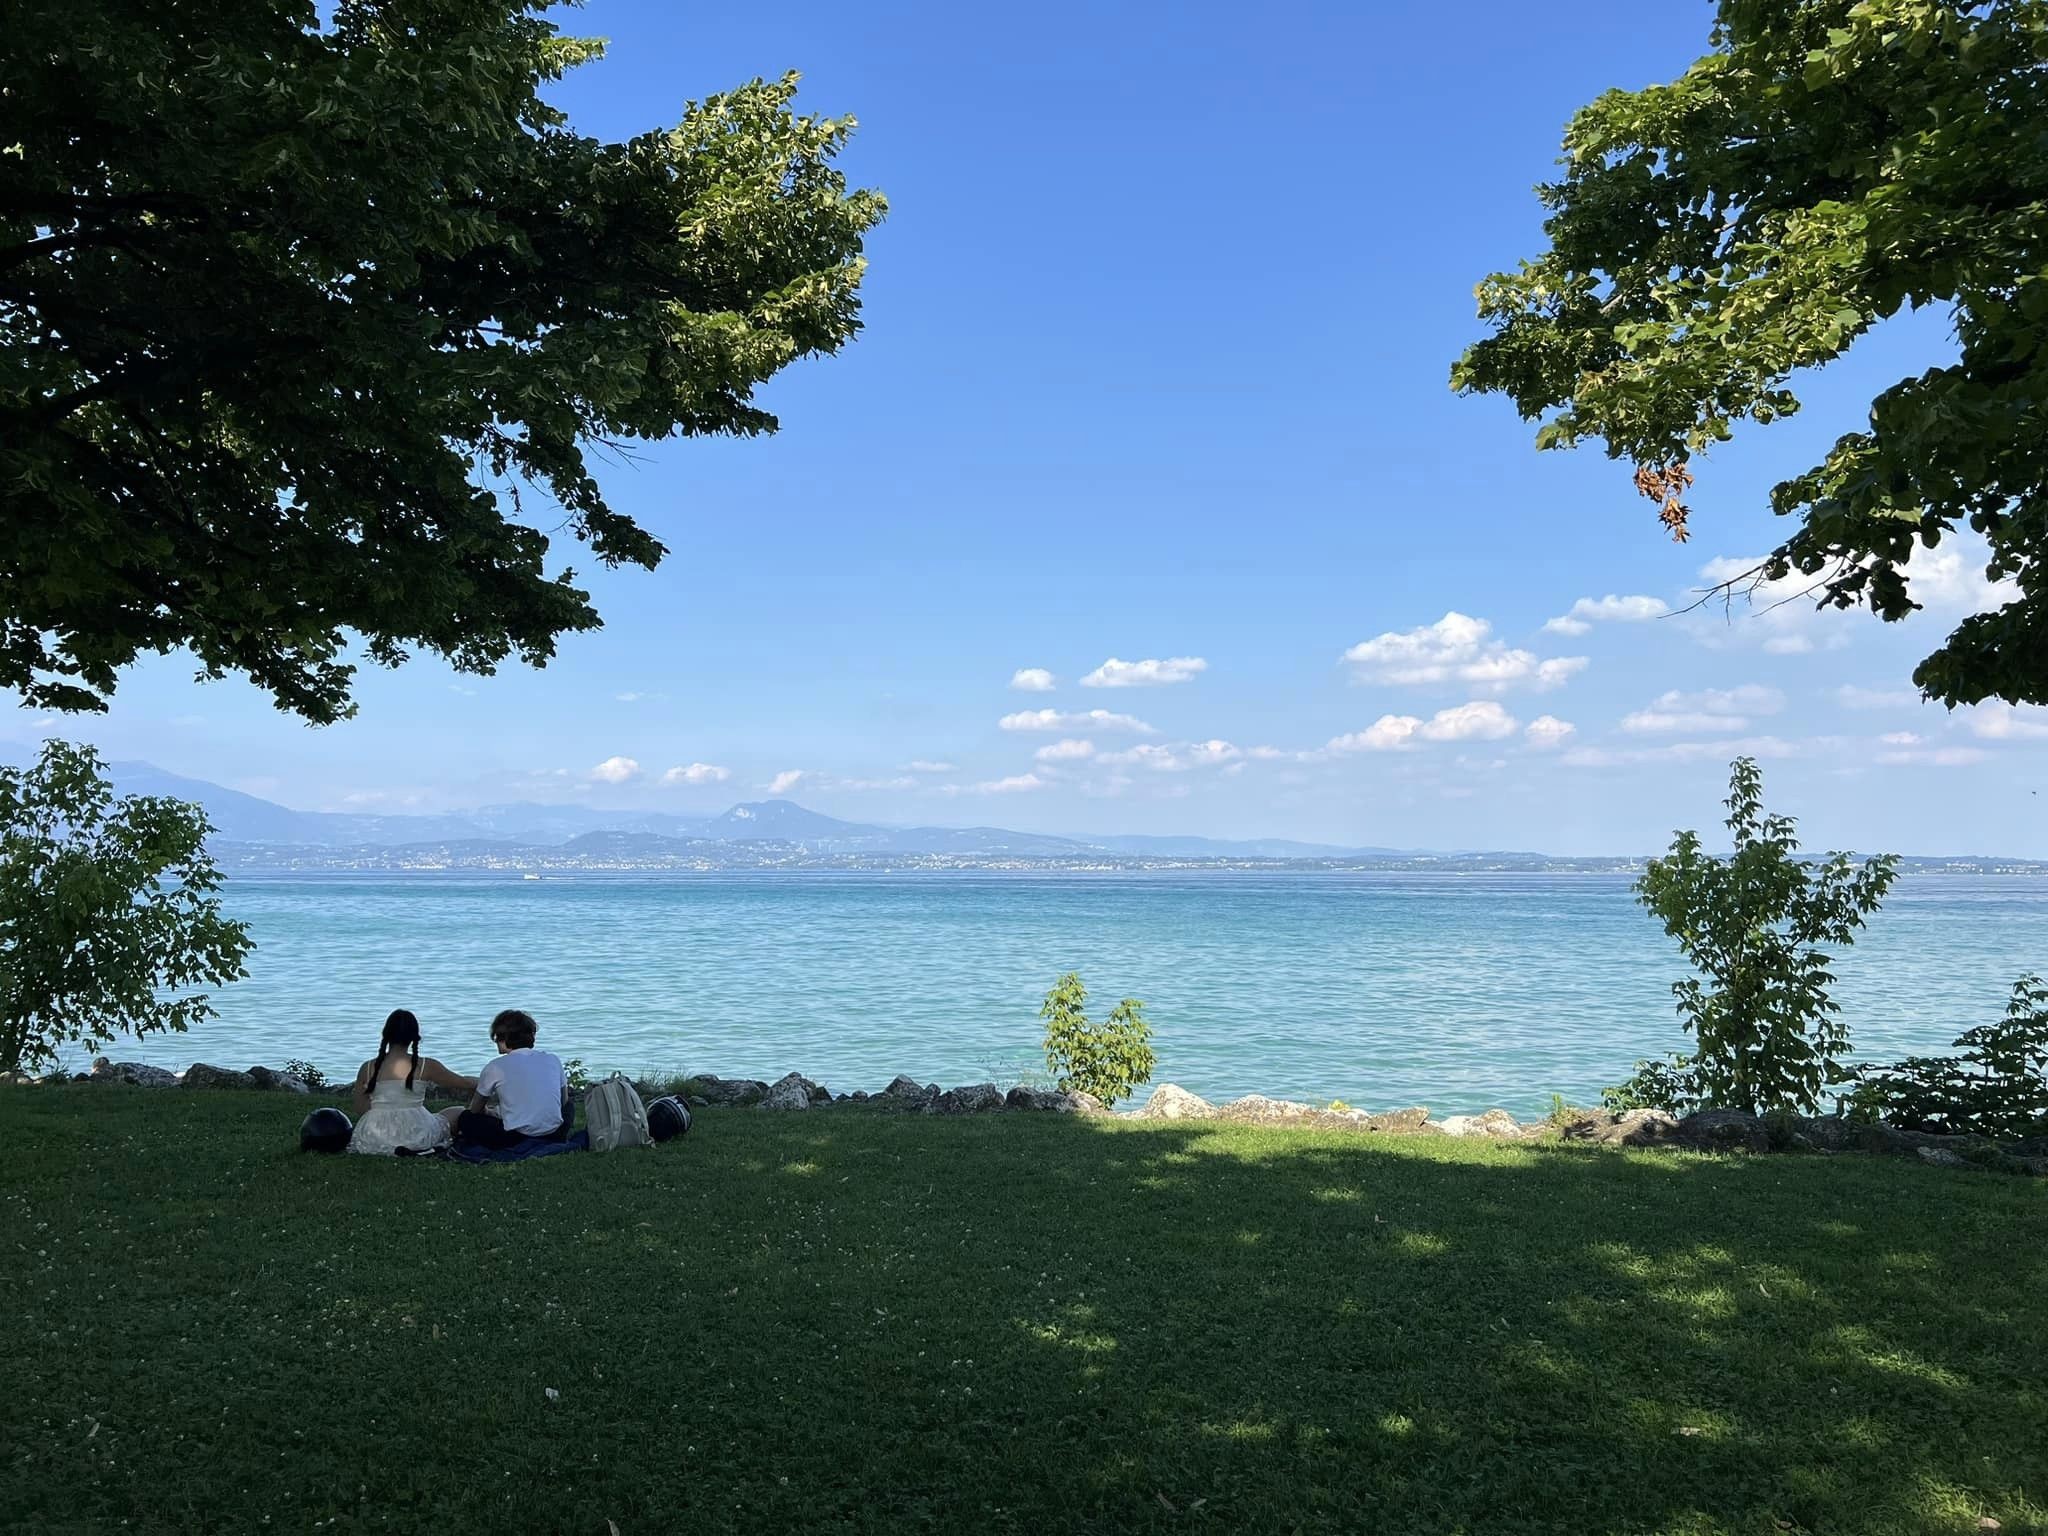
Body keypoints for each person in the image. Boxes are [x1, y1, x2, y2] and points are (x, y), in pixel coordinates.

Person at [347, 1009, 477, 1156]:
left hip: (374, 1138)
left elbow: (359, 1108)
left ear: (386, 1034)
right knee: (457, 1111)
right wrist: (483, 1081)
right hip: (416, 1135)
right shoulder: (426, 1065)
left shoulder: (368, 1067)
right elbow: (463, 1083)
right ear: (414, 1037)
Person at [450, 1008, 571, 1150]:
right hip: (555, 1132)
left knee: (466, 1118)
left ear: (501, 1038)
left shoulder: (495, 1067)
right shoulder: (552, 1059)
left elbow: (475, 1109)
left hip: (516, 1137)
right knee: (570, 1107)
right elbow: (564, 1101)